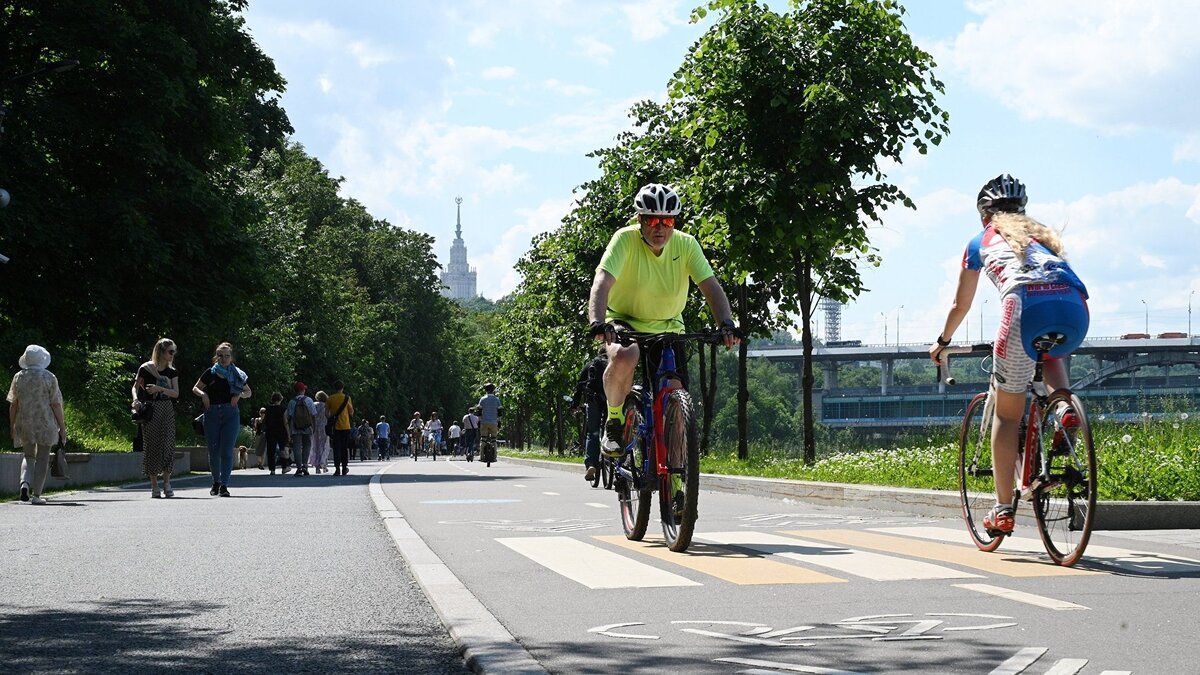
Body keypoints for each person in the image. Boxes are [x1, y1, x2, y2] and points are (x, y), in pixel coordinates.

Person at [929, 173, 1089, 536]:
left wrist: (943, 340)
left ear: (984, 214)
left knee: (1007, 415)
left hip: (1023, 310)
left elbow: (960, 303)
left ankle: (1002, 509)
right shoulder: (1043, 237)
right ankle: (1064, 409)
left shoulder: (979, 241)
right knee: (1050, 353)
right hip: (1074, 308)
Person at [587, 183, 739, 457]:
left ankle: (678, 478)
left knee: (676, 394)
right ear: (639, 220)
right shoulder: (624, 240)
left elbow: (711, 287)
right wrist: (598, 321)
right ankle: (614, 421)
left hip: (669, 326)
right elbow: (602, 281)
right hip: (625, 321)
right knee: (624, 355)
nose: (660, 227)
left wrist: (726, 324)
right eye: (652, 220)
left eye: (667, 220)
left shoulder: (686, 244)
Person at [7, 345, 67, 505]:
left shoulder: (18, 377)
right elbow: (55, 404)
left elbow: (13, 404)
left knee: (28, 456)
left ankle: (24, 484)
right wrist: (62, 427)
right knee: (42, 458)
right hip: (46, 424)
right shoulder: (49, 377)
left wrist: (12, 424)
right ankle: (36, 495)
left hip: (24, 422)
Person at [192, 342, 252, 497]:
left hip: (230, 413)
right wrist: (203, 395)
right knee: (214, 450)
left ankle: (224, 485)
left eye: (227, 356)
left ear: (231, 357)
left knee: (226, 451)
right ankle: (216, 482)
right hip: (211, 413)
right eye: (221, 356)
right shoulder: (210, 373)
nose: (224, 359)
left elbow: (248, 392)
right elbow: (195, 387)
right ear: (216, 357)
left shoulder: (237, 374)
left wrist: (239, 395)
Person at [133, 338, 180, 498]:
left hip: (166, 408)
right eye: (170, 351)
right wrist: (135, 400)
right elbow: (135, 387)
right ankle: (154, 485)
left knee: (168, 444)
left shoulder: (171, 371)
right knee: (152, 445)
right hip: (150, 409)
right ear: (161, 352)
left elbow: (176, 393)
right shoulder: (145, 368)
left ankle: (167, 482)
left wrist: (160, 388)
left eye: (174, 351)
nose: (172, 354)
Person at [571, 350, 608, 482]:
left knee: (592, 433)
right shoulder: (615, 363)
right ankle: (619, 461)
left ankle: (591, 464)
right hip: (613, 400)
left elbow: (579, 386)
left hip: (594, 401)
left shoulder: (591, 365)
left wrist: (575, 404)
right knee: (615, 429)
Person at [287, 381, 317, 476]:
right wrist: (314, 426)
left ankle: (299, 468)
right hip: (307, 426)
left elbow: (289, 416)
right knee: (307, 445)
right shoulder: (309, 400)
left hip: (296, 427)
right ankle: (305, 465)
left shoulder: (292, 402)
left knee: (297, 447)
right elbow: (313, 414)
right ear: (303, 390)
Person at [326, 381, 353, 475]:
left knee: (336, 448)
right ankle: (344, 468)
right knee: (344, 448)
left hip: (335, 427)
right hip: (345, 426)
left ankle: (337, 468)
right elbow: (351, 412)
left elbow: (326, 414)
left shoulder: (330, 398)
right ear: (343, 387)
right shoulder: (347, 398)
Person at [264, 392, 291, 475]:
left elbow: (265, 421)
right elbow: (285, 422)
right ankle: (284, 467)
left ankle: (272, 469)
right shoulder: (283, 409)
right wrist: (288, 433)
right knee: (283, 449)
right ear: (281, 399)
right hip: (281, 431)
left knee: (271, 450)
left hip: (270, 431)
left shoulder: (268, 409)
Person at [477, 386, 502, 455]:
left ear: (486, 391)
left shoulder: (482, 399)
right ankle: (494, 456)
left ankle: (481, 456)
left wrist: (479, 421)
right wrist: (499, 421)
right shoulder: (497, 399)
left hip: (484, 422)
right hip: (494, 422)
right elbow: (499, 412)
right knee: (494, 439)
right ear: (493, 390)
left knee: (483, 439)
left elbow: (479, 411)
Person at [311, 391, 330, 473]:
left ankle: (317, 467)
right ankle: (324, 465)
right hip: (324, 427)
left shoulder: (314, 405)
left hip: (315, 427)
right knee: (324, 446)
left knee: (315, 446)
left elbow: (312, 416)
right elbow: (328, 416)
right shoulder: (326, 406)